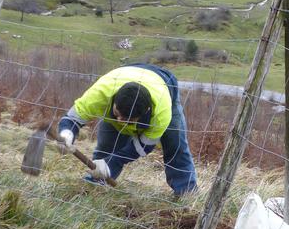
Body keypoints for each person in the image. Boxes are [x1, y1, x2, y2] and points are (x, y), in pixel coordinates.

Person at [57, 64, 197, 195]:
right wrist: (66, 134)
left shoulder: (161, 113)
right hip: (125, 73)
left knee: (175, 144)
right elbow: (72, 118)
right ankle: (97, 183)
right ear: (114, 99)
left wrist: (113, 163)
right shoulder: (101, 93)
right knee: (107, 145)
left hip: (164, 83)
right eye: (117, 114)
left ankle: (186, 192)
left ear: (145, 112)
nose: (120, 121)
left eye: (127, 119)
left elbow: (143, 146)